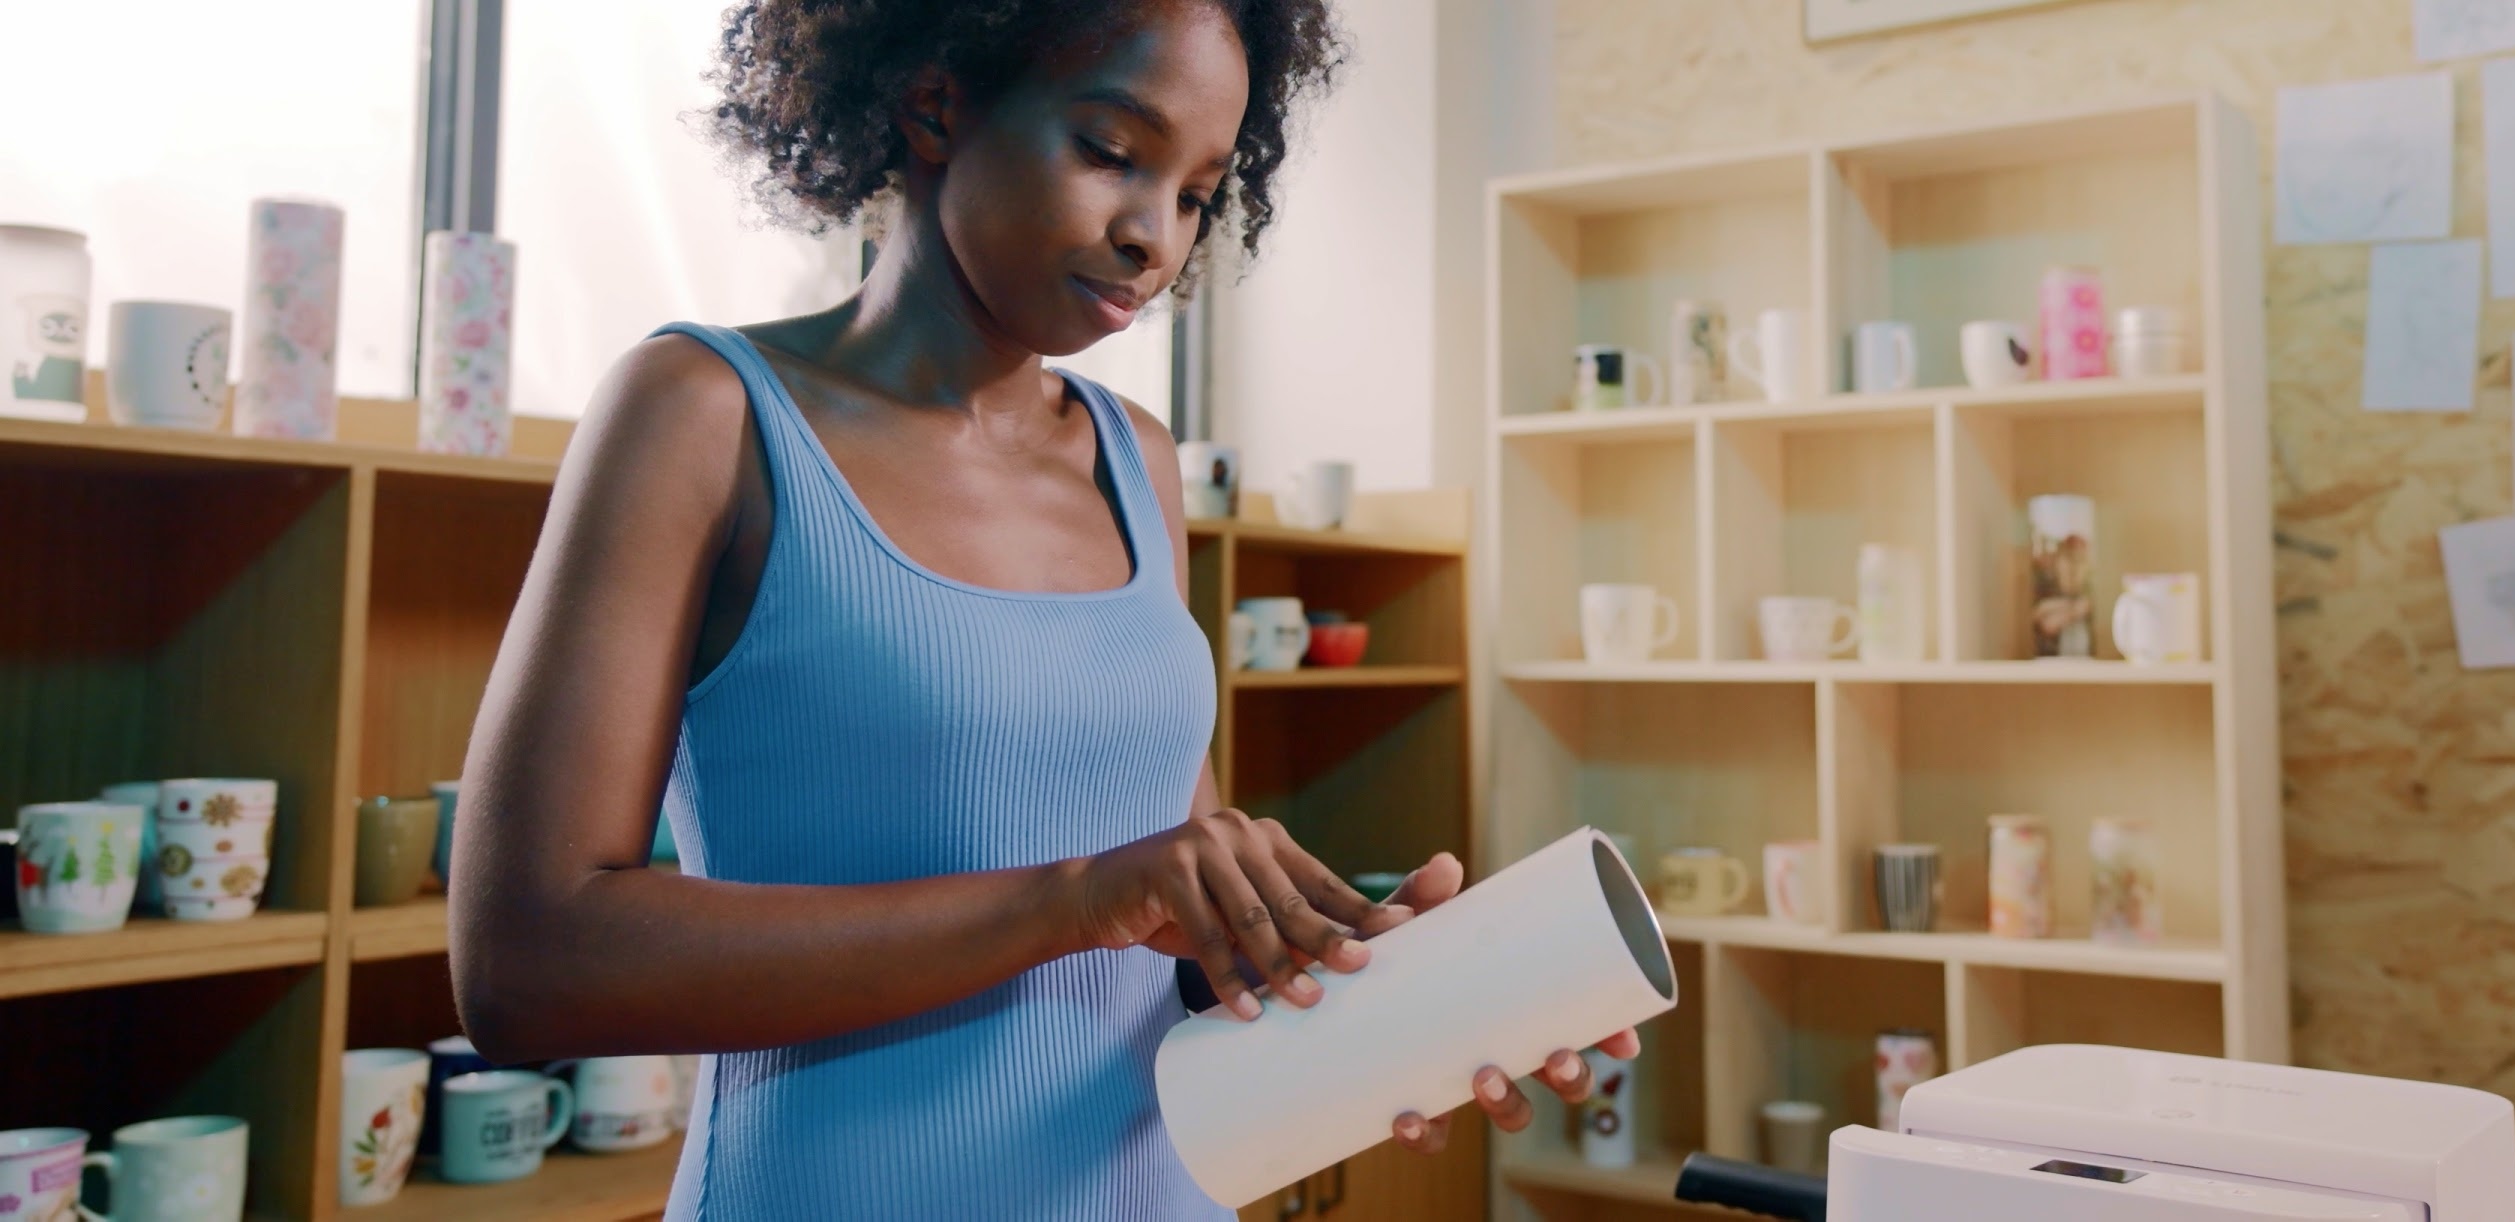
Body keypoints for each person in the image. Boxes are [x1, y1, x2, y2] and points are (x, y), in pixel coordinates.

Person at [447, 2, 1635, 1217]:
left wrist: (1404, 991)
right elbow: (525, 964)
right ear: (935, 103)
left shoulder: (1138, 460)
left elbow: (1174, 931)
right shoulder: (704, 413)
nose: (1152, 238)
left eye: (1193, 193)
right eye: (1113, 151)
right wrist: (1069, 901)